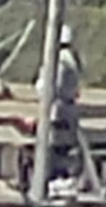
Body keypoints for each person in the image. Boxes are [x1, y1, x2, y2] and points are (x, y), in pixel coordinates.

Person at [35, 24, 83, 192]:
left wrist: (39, 88)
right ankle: (61, 177)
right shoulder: (73, 58)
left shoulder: (60, 59)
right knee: (61, 144)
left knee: (54, 144)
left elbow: (52, 85)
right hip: (69, 109)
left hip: (59, 109)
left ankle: (55, 177)